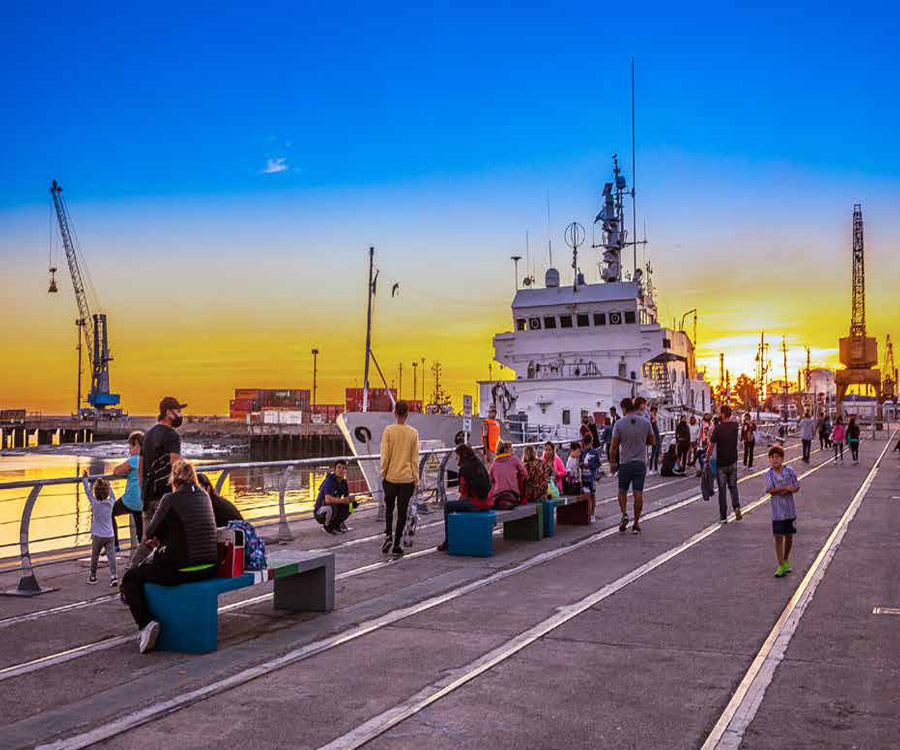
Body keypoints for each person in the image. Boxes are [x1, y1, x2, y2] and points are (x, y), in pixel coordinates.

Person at [121, 459, 218, 653]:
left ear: (173, 478)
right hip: (209, 567)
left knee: (131, 578)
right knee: (153, 568)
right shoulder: (205, 497)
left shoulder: (170, 499)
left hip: (183, 570)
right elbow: (189, 530)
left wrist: (158, 541)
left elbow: (149, 531)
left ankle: (146, 624)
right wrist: (165, 540)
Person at [140, 397, 186, 537]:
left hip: (148, 496)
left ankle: (137, 560)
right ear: (168, 412)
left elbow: (140, 467)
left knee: (148, 539)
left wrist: (143, 492)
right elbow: (175, 466)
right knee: (169, 538)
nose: (180, 415)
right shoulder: (172, 436)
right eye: (177, 411)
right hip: (166, 496)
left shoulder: (148, 435)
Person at [610, 397, 655, 534]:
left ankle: (624, 514)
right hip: (640, 462)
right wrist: (641, 441)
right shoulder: (646, 423)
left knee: (622, 491)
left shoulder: (619, 424)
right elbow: (652, 441)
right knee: (638, 493)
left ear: (623, 408)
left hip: (625, 463)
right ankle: (636, 523)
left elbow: (613, 446)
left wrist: (612, 462)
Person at [380, 400, 419, 558]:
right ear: (407, 414)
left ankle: (388, 535)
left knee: (389, 509)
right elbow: (414, 459)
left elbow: (385, 455)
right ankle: (396, 544)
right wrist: (416, 480)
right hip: (406, 479)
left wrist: (383, 473)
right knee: (402, 512)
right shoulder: (413, 433)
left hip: (390, 477)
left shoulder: (388, 431)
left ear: (394, 413)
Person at [437, 444, 492, 552]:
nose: (456, 458)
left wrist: (458, 507)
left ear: (461, 455)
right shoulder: (478, 463)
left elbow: (464, 493)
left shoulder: (463, 468)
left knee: (448, 506)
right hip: (487, 502)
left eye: (457, 456)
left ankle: (448, 541)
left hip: (475, 503)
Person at [765, 445, 801, 578]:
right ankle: (780, 564)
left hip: (789, 511)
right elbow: (770, 489)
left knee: (789, 536)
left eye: (778, 458)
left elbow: (796, 486)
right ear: (769, 459)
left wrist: (786, 489)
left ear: (782, 459)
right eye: (772, 458)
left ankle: (785, 560)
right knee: (778, 537)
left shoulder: (790, 471)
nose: (775, 460)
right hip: (777, 512)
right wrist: (786, 488)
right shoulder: (769, 474)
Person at [81, 472, 118, 587]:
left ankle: (93, 576)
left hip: (97, 535)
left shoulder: (94, 503)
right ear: (107, 492)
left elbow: (87, 491)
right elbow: (113, 496)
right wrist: (109, 485)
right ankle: (113, 576)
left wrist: (85, 479)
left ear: (95, 492)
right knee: (111, 556)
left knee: (95, 556)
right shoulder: (110, 503)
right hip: (110, 535)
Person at [111, 431, 145, 548]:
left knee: (110, 512)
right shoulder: (148, 459)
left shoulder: (134, 459)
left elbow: (116, 471)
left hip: (131, 500)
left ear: (137, 445)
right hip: (143, 500)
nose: (129, 449)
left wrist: (128, 468)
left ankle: (115, 544)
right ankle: (142, 552)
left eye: (131, 446)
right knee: (140, 528)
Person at [709, 405, 742, 522]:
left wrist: (707, 459)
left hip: (721, 463)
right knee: (733, 486)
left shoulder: (718, 428)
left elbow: (711, 444)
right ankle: (736, 506)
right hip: (733, 461)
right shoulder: (735, 426)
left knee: (722, 490)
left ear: (722, 414)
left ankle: (723, 516)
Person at [312, 459, 354, 534]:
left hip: (333, 507)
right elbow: (328, 499)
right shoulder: (329, 481)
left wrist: (351, 502)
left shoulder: (344, 482)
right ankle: (326, 526)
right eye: (339, 467)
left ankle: (336, 524)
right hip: (321, 510)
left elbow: (347, 497)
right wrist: (343, 501)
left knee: (350, 505)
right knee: (331, 507)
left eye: (344, 468)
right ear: (334, 470)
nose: (341, 470)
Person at [489, 440, 527, 508]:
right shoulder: (514, 459)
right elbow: (524, 474)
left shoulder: (494, 464)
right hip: (512, 493)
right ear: (506, 450)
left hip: (497, 495)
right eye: (511, 450)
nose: (512, 451)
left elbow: (489, 480)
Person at [581, 433, 602, 522]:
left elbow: (598, 464)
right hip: (587, 476)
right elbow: (598, 464)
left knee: (591, 495)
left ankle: (591, 514)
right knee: (589, 495)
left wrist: (588, 465)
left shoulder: (592, 452)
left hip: (589, 477)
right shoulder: (583, 452)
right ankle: (589, 514)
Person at [648, 405, 662, 474]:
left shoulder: (656, 418)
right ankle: (650, 468)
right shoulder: (651, 419)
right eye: (654, 411)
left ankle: (656, 468)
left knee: (657, 453)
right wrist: (652, 415)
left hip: (657, 436)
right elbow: (653, 421)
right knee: (653, 453)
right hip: (654, 437)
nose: (655, 412)